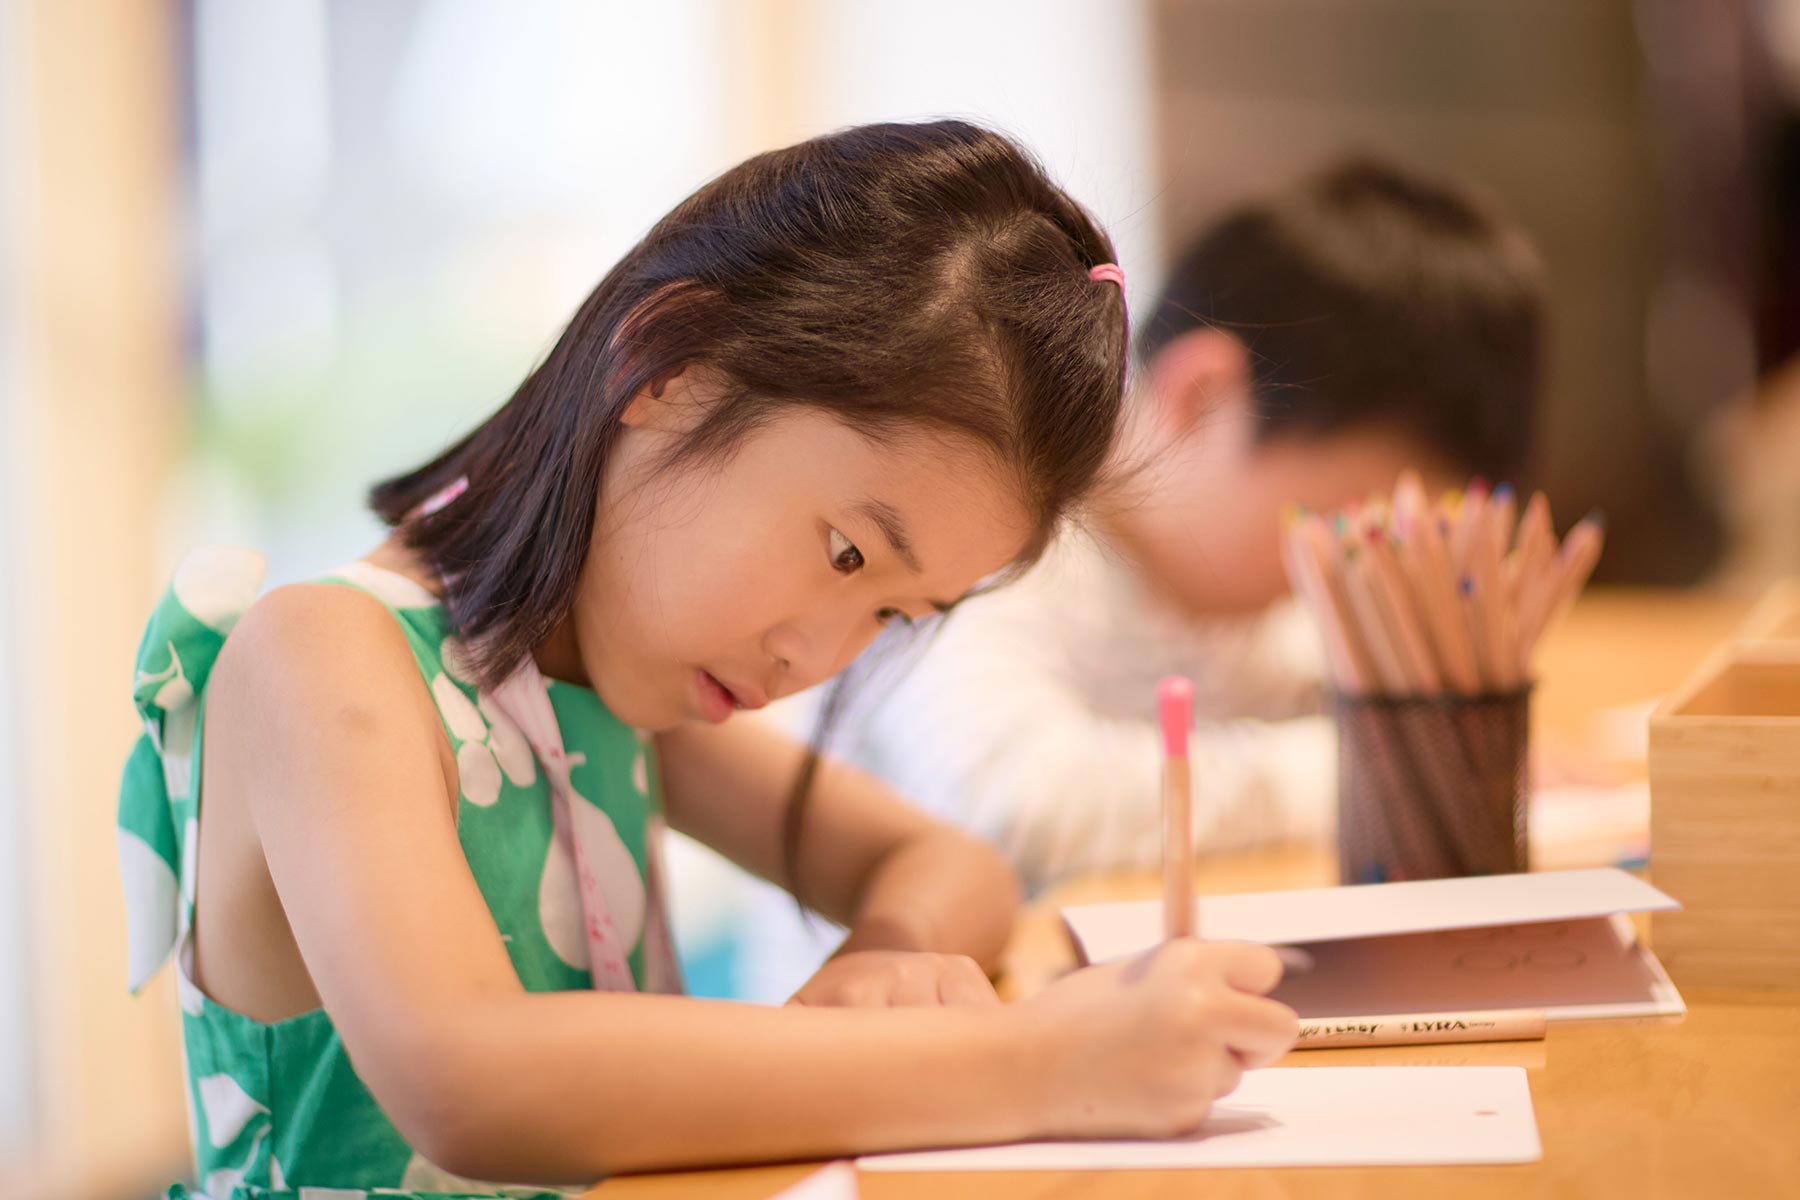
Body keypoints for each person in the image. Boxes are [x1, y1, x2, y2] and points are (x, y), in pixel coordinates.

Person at [116, 120, 1297, 1199]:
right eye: (844, 554)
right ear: (670, 359)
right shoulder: (326, 657)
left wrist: (884, 961)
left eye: (895, 616)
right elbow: (471, 1081)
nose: (817, 660)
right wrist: (1038, 1062)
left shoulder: (600, 688)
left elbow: (950, 867)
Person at [782, 156, 1545, 901]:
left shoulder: (1231, 598)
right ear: (1202, 396)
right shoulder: (997, 534)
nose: (1357, 568)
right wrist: (1376, 769)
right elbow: (1008, 802)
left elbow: (1304, 682)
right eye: (1345, 525)